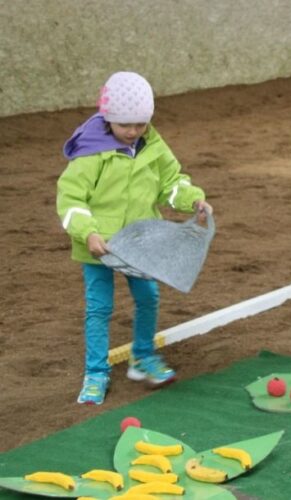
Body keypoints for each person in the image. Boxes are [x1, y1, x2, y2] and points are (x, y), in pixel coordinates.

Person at [57, 71, 213, 405]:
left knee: (148, 297)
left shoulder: (153, 147)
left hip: (140, 245)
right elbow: (70, 200)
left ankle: (141, 357)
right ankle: (96, 372)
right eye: (125, 124)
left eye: (140, 124)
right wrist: (89, 233)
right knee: (99, 309)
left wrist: (192, 199)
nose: (133, 132)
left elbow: (171, 183)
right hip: (98, 247)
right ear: (108, 118)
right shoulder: (89, 154)